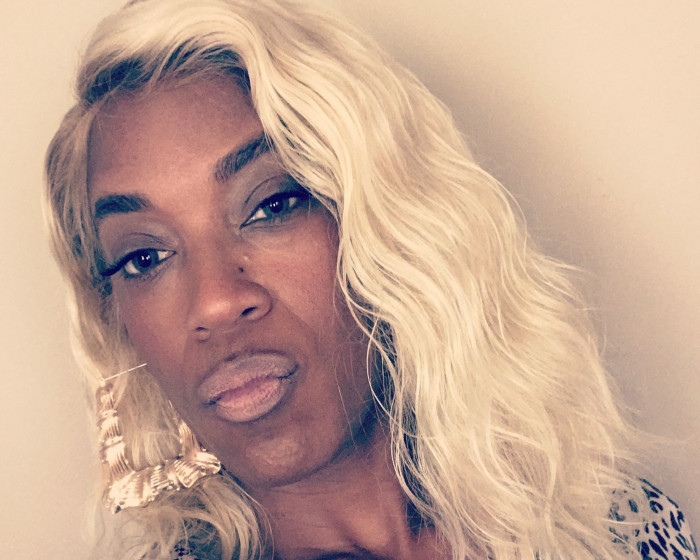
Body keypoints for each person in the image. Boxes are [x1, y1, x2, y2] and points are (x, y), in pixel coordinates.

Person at [44, 0, 697, 559]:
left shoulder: (613, 528)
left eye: (272, 204)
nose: (215, 300)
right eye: (144, 258)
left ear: (385, 224)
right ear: (119, 320)